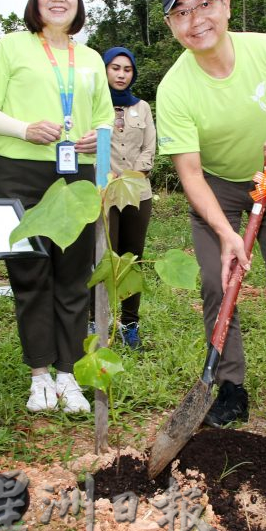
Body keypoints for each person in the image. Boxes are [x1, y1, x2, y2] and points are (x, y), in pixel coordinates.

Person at [156, 0, 266, 432]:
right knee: (217, 281)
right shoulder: (175, 88)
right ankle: (230, 387)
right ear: (171, 26)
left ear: (226, 6)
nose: (196, 19)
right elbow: (189, 173)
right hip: (216, 189)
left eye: (204, 4)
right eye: (181, 12)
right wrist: (226, 233)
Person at [0, 0, 112, 414]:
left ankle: (68, 372)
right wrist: (23, 129)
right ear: (34, 0)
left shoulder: (93, 58)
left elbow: (105, 122)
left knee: (72, 277)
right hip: (20, 172)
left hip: (74, 174)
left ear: (79, 2)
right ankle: (39, 373)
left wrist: (99, 142)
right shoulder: (12, 47)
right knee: (31, 273)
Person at [91, 47, 156, 349]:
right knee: (105, 258)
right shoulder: (93, 105)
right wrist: (107, 178)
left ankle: (130, 324)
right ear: (104, 70)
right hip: (103, 194)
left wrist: (132, 175)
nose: (120, 74)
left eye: (127, 69)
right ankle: (98, 323)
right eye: (115, 68)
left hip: (137, 193)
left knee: (132, 258)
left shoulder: (141, 107)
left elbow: (149, 149)